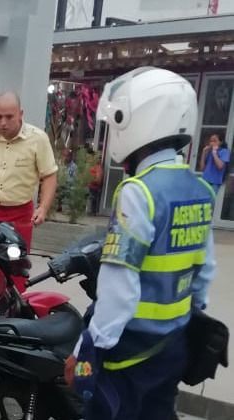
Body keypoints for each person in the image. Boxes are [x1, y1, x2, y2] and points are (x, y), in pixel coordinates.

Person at [65, 67, 217, 420]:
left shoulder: (139, 193)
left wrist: (87, 348)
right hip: (173, 346)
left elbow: (120, 292)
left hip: (128, 355)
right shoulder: (200, 190)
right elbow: (204, 273)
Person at [0, 91, 58, 292]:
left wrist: (43, 207)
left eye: (9, 116)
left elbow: (49, 175)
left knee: (14, 270)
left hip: (19, 215)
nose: (3, 122)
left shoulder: (38, 139)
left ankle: (11, 313)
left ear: (20, 114)